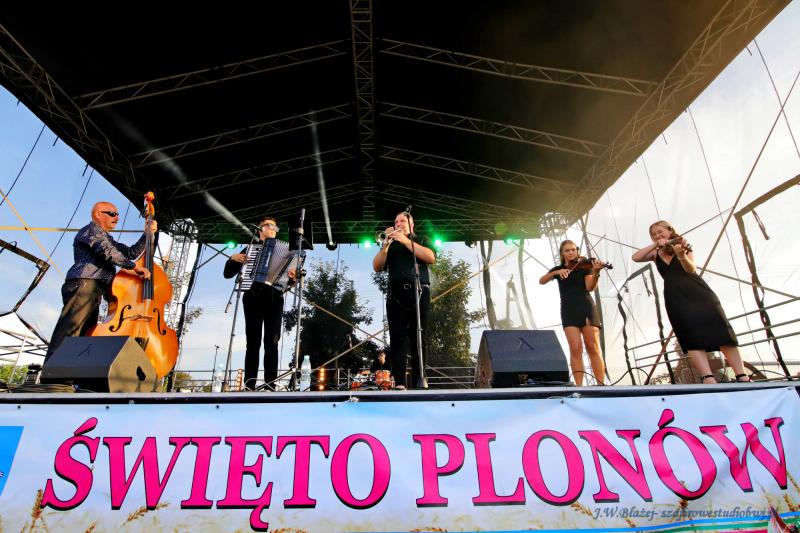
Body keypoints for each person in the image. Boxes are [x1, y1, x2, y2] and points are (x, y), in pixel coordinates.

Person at [632, 220, 750, 384]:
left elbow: (690, 269)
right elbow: (635, 257)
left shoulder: (682, 244)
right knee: (690, 335)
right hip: (675, 297)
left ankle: (741, 374)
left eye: (660, 232)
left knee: (722, 331)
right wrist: (656, 244)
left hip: (698, 292)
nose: (657, 235)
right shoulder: (655, 253)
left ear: (670, 230)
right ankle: (707, 376)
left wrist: (681, 255)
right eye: (654, 234)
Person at [45, 202, 154, 360]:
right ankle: (52, 372)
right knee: (70, 329)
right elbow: (107, 252)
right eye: (112, 214)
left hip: (95, 288)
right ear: (98, 214)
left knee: (85, 333)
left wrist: (147, 234)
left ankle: (68, 371)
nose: (117, 218)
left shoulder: (107, 238)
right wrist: (134, 267)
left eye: (117, 214)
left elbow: (131, 252)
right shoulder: (91, 230)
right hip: (84, 284)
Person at [224, 216, 295, 390]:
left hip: (274, 297)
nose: (273, 228)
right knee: (253, 342)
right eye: (268, 225)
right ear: (259, 229)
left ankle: (270, 384)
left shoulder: (287, 252)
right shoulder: (250, 248)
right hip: (253, 296)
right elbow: (227, 274)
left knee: (272, 341)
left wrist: (293, 279)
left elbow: (287, 282)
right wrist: (232, 259)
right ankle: (250, 384)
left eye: (275, 226)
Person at [372, 211, 436, 389]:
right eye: (396, 221)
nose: (398, 224)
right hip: (395, 296)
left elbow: (430, 257)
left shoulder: (421, 239)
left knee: (419, 337)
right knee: (397, 338)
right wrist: (385, 245)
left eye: (402, 221)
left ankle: (419, 382)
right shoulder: (390, 245)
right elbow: (377, 266)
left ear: (411, 225)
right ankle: (399, 383)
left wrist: (405, 240)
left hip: (419, 293)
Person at [538, 240, 606, 386]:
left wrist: (596, 272)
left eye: (573, 250)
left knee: (592, 346)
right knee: (575, 348)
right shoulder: (558, 269)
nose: (571, 253)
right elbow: (541, 281)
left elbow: (590, 287)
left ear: (577, 250)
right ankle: (579, 386)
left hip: (586, 307)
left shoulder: (585, 266)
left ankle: (601, 385)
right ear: (562, 253)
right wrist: (556, 272)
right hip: (568, 309)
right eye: (567, 250)